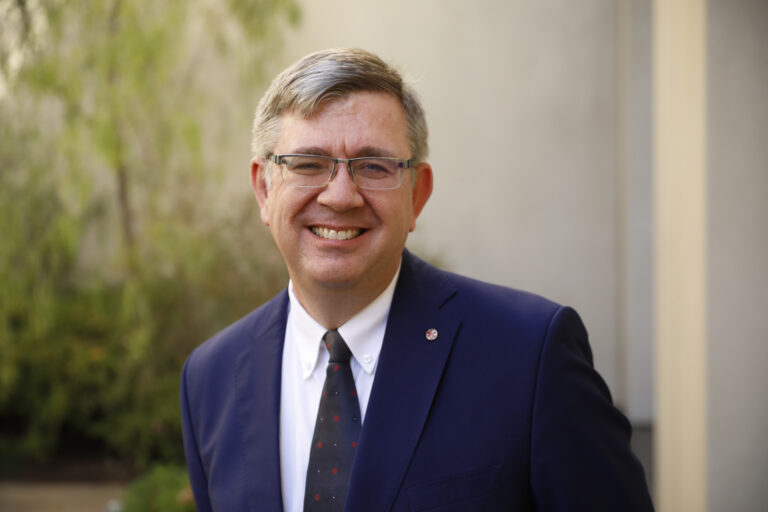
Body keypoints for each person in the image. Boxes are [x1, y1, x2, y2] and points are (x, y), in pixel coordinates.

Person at [180, 48, 654, 512]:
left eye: (373, 166)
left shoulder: (530, 356)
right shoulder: (212, 379)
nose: (340, 196)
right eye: (308, 164)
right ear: (264, 189)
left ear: (417, 194)